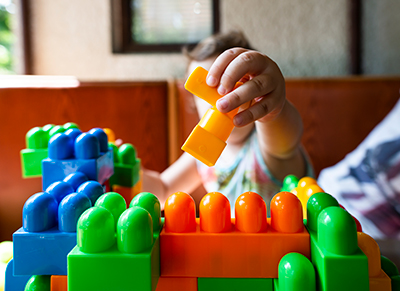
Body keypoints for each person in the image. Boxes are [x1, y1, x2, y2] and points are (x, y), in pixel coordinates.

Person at [142, 31, 314, 212]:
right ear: (194, 103)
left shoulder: (266, 147)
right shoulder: (201, 153)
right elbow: (162, 189)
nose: (222, 100)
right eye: (206, 92)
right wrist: (128, 171)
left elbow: (286, 141)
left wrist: (273, 107)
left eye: (233, 88)